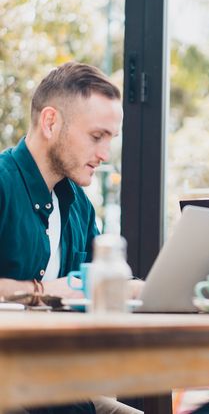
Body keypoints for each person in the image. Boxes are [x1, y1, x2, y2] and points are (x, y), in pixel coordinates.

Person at [0, 62, 143, 414]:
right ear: (51, 122)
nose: (105, 155)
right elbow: (68, 288)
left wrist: (142, 289)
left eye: (111, 139)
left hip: (60, 381)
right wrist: (44, 292)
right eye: (97, 137)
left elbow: (90, 286)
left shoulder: (79, 204)